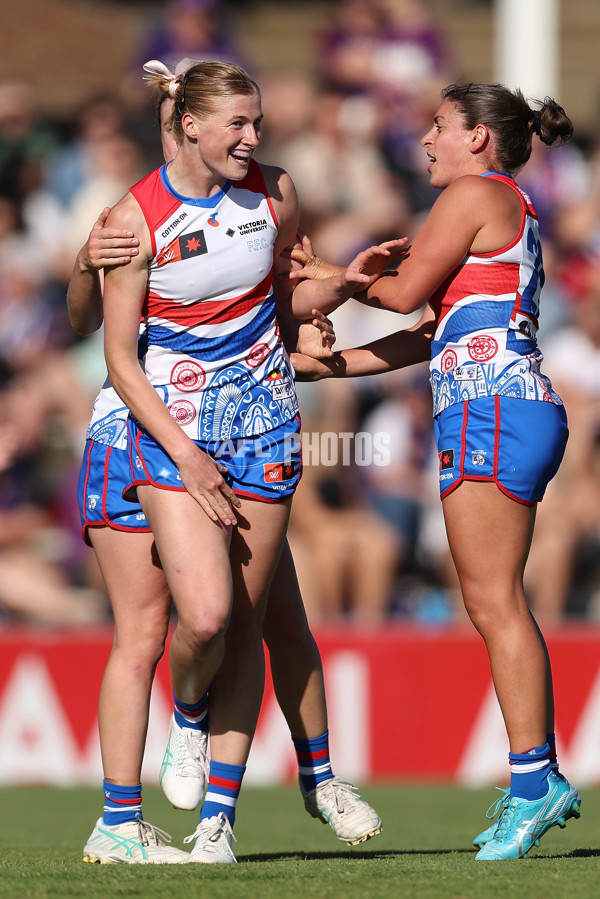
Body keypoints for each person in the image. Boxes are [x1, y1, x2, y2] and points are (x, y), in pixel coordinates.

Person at [72, 60, 395, 864]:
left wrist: (338, 291)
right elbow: (114, 353)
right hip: (165, 425)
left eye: (258, 124)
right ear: (189, 124)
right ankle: (158, 765)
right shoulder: (134, 218)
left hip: (263, 426)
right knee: (201, 617)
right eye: (238, 125)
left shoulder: (275, 194)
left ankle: (217, 821)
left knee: (247, 623)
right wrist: (185, 454)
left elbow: (278, 297)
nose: (254, 139)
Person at [291, 82, 582, 860]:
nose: (425, 138)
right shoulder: (498, 206)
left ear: (481, 138)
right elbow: (430, 329)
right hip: (498, 401)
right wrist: (329, 366)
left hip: (493, 404)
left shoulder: (474, 194)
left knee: (493, 602)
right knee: (492, 601)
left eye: (440, 125)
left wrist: (330, 271)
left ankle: (536, 782)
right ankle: (533, 778)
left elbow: (405, 292)